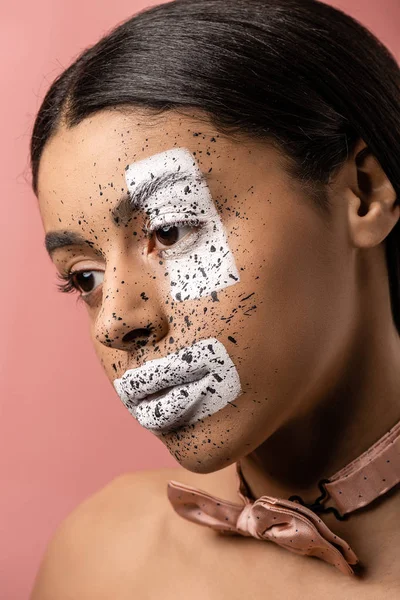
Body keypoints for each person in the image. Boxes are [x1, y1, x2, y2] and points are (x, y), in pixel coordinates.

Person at [29, 0, 400, 597]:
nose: (117, 321)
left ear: (362, 193)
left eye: (170, 231)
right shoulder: (96, 561)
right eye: (86, 278)